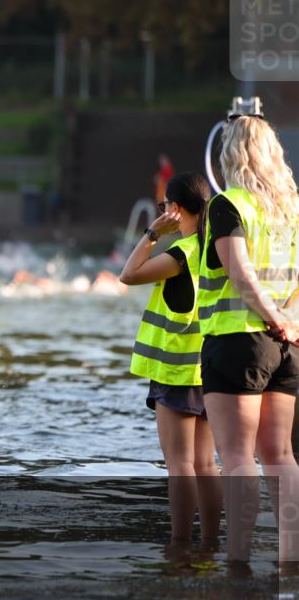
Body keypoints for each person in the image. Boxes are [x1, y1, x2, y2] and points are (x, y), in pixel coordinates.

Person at [197, 114, 299, 565]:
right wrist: (288, 321)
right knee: (280, 456)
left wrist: (272, 317)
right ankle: (290, 557)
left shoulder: (228, 205)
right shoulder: (289, 212)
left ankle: (237, 562)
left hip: (238, 341)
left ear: (230, 155)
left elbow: (239, 276)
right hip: (288, 346)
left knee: (237, 458)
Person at [120, 173, 221, 548]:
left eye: (165, 205)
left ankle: (180, 547)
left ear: (174, 209)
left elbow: (128, 275)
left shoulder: (181, 254)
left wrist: (152, 234)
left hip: (177, 372)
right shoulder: (217, 248)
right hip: (210, 370)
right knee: (207, 465)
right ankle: (210, 545)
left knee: (179, 465)